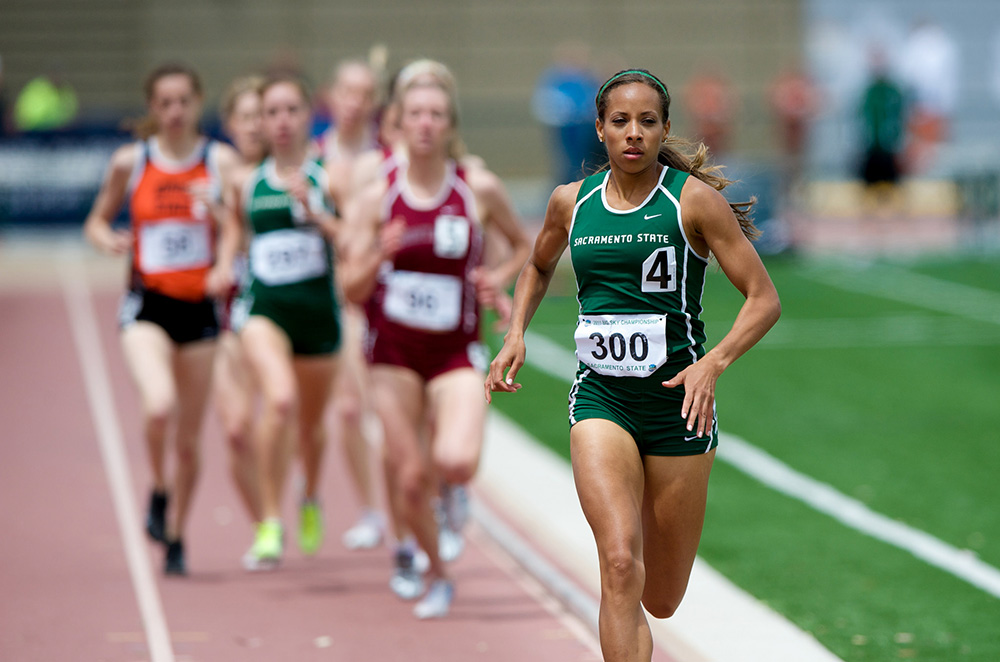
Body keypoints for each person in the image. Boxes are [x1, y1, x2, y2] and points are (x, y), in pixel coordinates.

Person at [485, 69, 781, 660]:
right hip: (603, 400)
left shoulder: (692, 201)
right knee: (620, 563)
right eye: (620, 121)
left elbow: (764, 298)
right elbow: (539, 265)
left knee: (663, 598)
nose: (634, 133)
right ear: (600, 129)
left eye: (647, 121)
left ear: (665, 128)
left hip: (679, 406)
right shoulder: (571, 203)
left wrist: (713, 362)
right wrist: (516, 331)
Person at [341, 62, 530, 619]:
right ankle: (437, 573)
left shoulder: (477, 189)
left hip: (454, 350)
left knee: (456, 460)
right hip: (392, 355)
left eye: (437, 115)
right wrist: (378, 253)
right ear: (398, 122)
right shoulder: (375, 195)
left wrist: (497, 278)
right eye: (416, 114)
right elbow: (349, 288)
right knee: (408, 475)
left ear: (450, 125)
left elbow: (524, 245)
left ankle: (453, 495)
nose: (425, 124)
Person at [83, 63, 242, 575]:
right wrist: (106, 238)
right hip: (148, 305)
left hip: (200, 309)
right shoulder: (131, 161)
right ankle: (157, 487)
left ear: (199, 104)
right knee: (159, 406)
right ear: (153, 108)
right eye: (165, 103)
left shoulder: (221, 162)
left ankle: (175, 532)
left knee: (191, 441)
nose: (175, 112)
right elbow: (96, 219)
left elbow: (245, 228)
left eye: (183, 102)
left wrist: (218, 229)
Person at [229, 75, 342, 569]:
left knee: (312, 427)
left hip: (318, 318)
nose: (279, 121)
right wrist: (216, 270)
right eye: (270, 111)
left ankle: (311, 495)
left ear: (306, 116)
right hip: (264, 313)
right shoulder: (245, 183)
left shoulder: (328, 177)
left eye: (290, 110)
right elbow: (231, 244)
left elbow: (352, 241)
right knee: (279, 400)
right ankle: (270, 521)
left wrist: (316, 213)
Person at [316, 59, 387, 550]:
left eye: (365, 93)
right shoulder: (313, 158)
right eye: (347, 91)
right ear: (331, 95)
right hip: (330, 296)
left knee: (387, 406)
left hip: (381, 294)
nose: (355, 102)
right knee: (345, 410)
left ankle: (419, 495)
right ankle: (369, 510)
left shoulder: (390, 158)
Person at [212, 75, 267, 563]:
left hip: (284, 317)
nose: (253, 126)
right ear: (229, 124)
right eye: (244, 117)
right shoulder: (219, 179)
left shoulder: (294, 174)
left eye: (261, 116)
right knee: (234, 428)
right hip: (229, 313)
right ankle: (263, 522)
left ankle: (296, 495)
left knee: (284, 414)